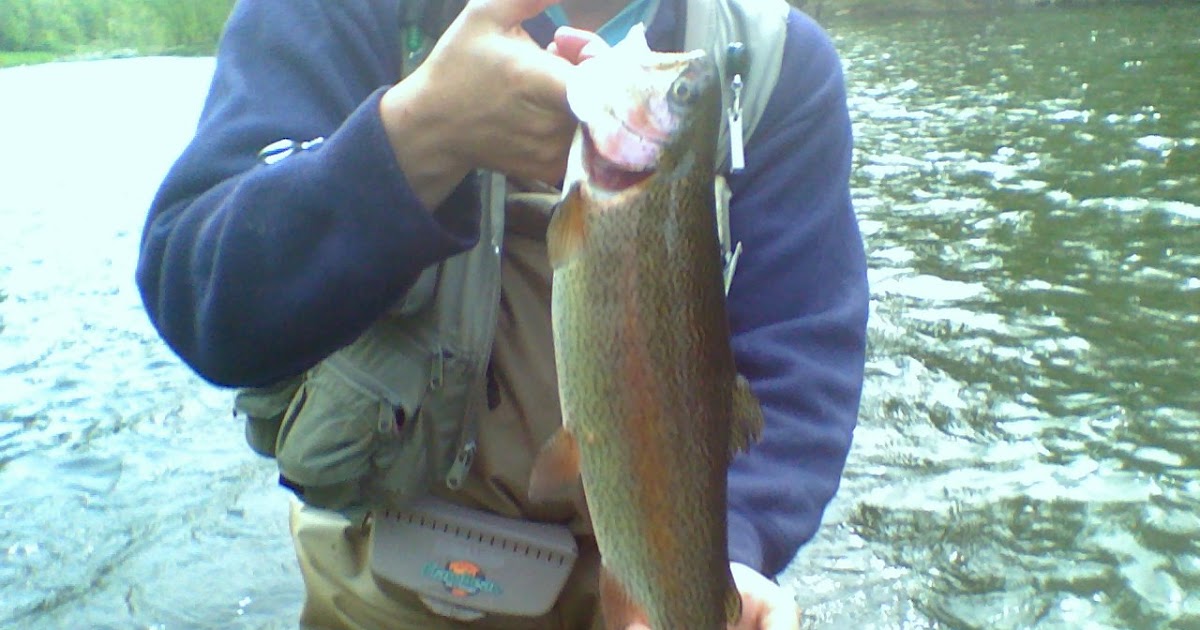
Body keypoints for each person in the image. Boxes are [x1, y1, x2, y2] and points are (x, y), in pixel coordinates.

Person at [135, 0, 868, 626]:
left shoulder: (773, 62)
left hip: (651, 584)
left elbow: (801, 355)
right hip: (380, 588)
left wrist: (727, 559)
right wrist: (420, 135)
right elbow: (200, 295)